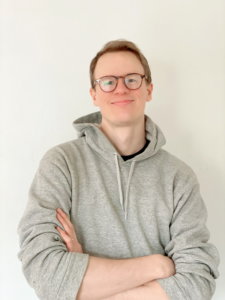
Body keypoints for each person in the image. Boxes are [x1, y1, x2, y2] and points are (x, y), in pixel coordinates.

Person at [18, 40, 219, 300]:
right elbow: (44, 273)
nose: (121, 88)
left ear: (149, 89)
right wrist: (157, 265)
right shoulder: (62, 163)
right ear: (94, 94)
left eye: (132, 79)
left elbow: (197, 284)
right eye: (108, 81)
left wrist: (82, 284)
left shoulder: (178, 177)